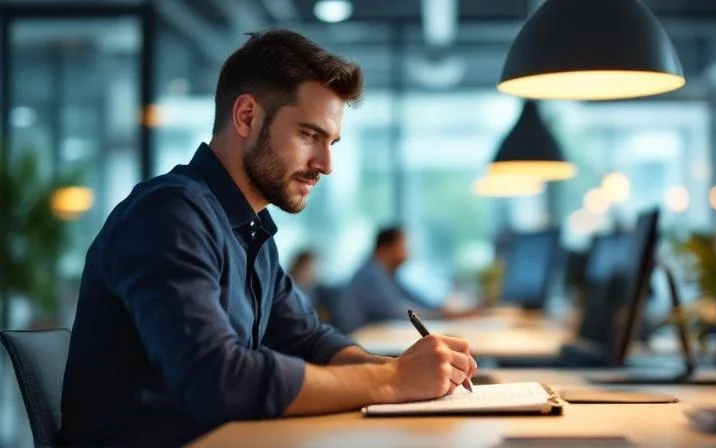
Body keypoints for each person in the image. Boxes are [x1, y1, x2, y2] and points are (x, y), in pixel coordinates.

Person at [59, 29, 476, 447]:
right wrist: (392, 380)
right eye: (309, 135)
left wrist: (402, 370)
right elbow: (219, 380)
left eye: (331, 142)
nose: (326, 164)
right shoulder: (169, 215)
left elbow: (308, 339)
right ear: (246, 117)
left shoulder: (251, 231)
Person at [341, 226, 476, 332]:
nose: (408, 251)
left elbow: (416, 300)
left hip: (378, 339)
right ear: (385, 248)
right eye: (403, 246)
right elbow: (397, 313)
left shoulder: (388, 274)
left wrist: (443, 311)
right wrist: (442, 315)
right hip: (363, 344)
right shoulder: (370, 275)